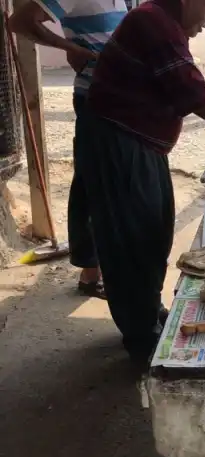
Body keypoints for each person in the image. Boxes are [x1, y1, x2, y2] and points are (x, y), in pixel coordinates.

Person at [76, 0, 205, 360]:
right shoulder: (153, 22)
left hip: (137, 143)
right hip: (119, 143)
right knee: (133, 242)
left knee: (152, 233)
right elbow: (197, 97)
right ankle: (142, 340)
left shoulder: (162, 23)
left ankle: (148, 316)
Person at [10, 0, 129, 300]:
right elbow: (21, 23)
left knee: (111, 182)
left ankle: (102, 270)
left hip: (120, 99)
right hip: (94, 98)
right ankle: (92, 274)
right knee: (93, 185)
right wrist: (71, 49)